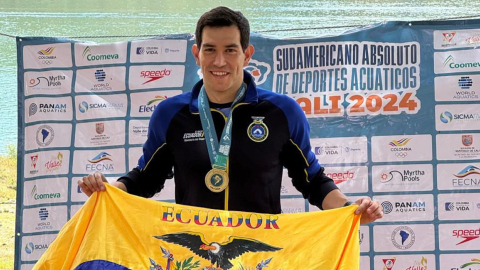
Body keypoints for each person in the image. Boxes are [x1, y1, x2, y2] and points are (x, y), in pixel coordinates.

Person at [79, 6, 383, 224]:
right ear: (196, 54)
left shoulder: (281, 112)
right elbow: (145, 179)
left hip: (260, 254)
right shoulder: (171, 114)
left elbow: (313, 181)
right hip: (193, 253)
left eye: (230, 50)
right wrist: (109, 189)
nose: (219, 61)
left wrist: (350, 208)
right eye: (209, 50)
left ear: (247, 54)